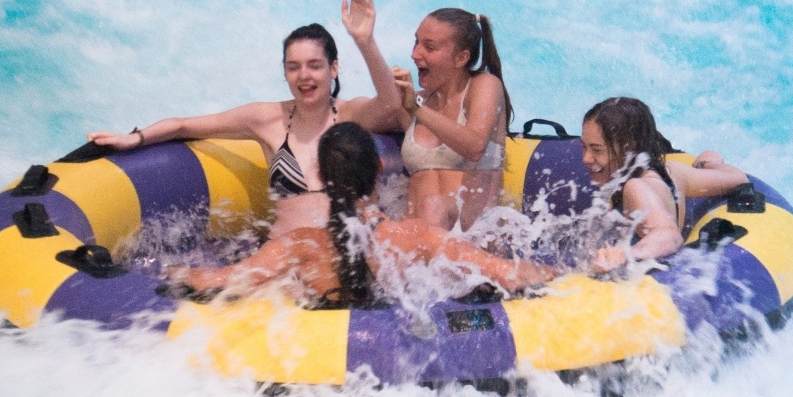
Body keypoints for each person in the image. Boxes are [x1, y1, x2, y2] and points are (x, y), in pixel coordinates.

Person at [88, 0, 406, 237]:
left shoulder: (350, 116)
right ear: (284, 72)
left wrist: (365, 41)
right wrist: (134, 138)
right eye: (293, 67)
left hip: (348, 259)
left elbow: (391, 106)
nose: (304, 76)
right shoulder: (265, 118)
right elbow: (184, 125)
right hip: (284, 261)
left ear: (334, 69)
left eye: (314, 66)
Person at [168, 123, 556, 306]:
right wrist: (566, 275)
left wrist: (171, 274)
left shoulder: (298, 246)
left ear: (320, 177)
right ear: (379, 171)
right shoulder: (417, 238)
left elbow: (217, 281)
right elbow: (509, 274)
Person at [580, 96, 752, 273]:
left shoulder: (635, 187)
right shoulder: (670, 172)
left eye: (597, 150)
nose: (585, 158)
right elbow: (738, 178)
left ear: (628, 149)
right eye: (584, 147)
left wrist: (625, 255)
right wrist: (705, 164)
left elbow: (669, 236)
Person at [393, 8, 511, 231]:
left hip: (470, 241)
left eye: (429, 47)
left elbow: (474, 146)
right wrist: (364, 41)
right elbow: (379, 102)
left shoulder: (484, 85)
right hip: (419, 240)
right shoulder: (418, 100)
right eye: (416, 42)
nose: (415, 54)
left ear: (461, 58)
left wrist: (415, 109)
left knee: (433, 206)